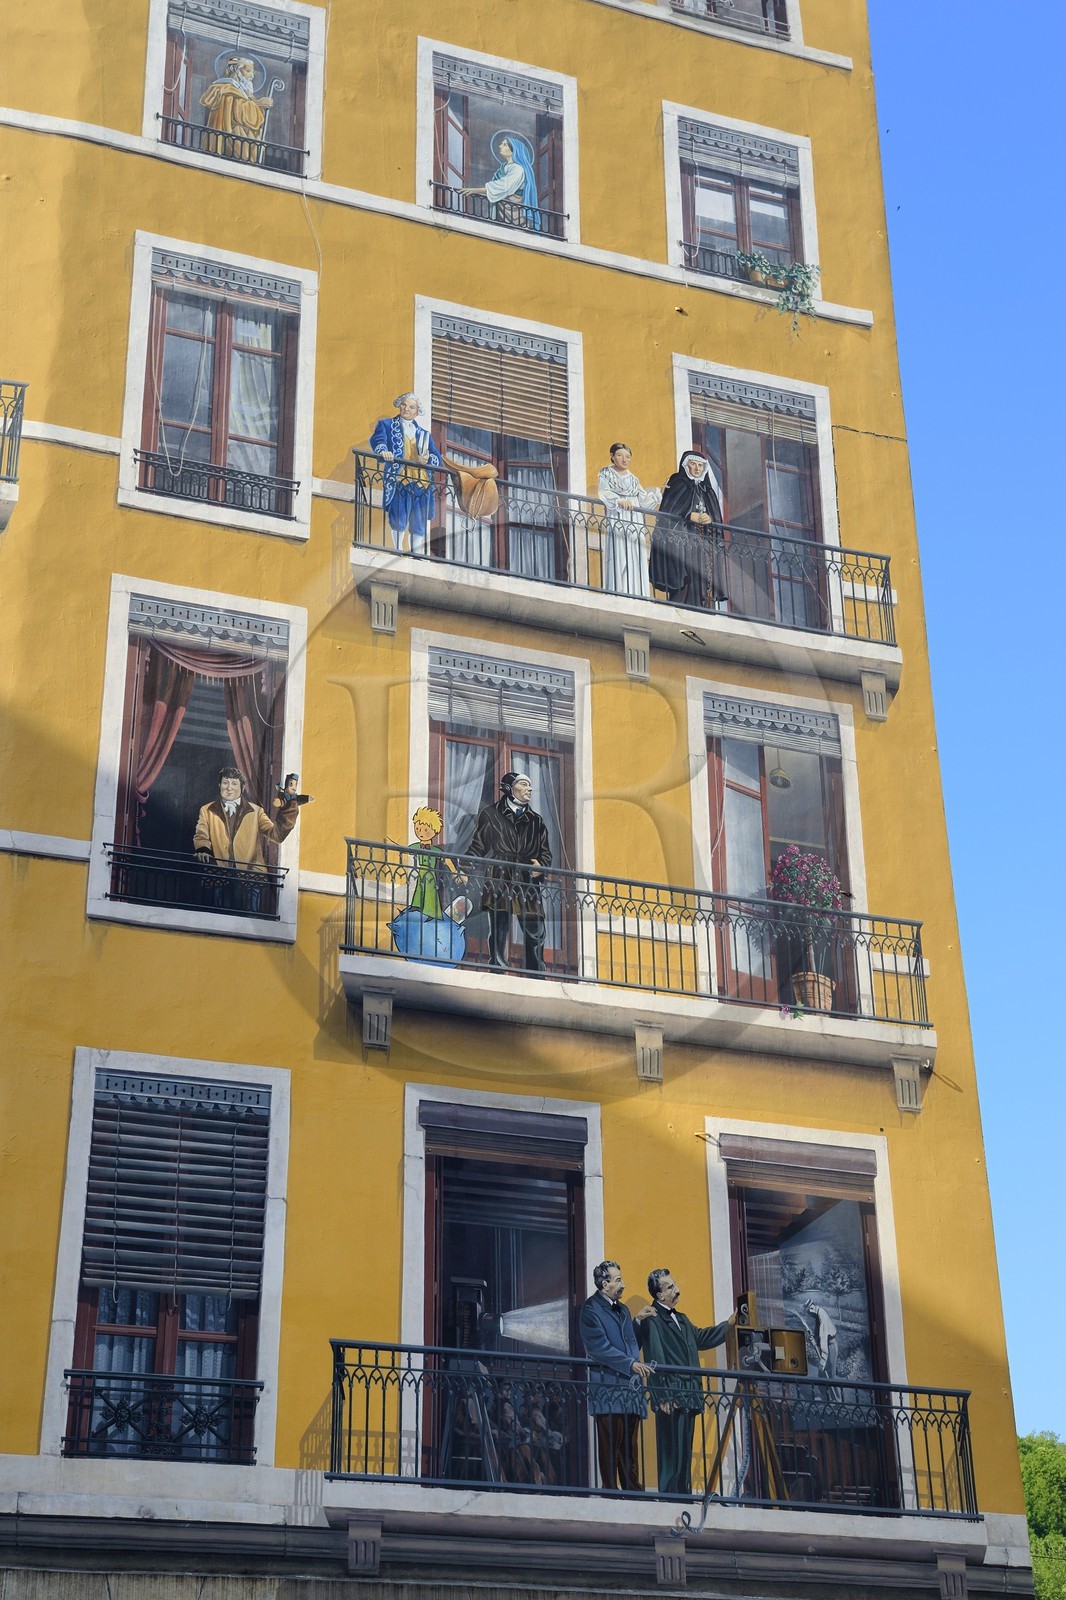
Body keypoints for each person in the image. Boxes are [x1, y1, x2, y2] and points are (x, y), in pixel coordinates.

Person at [634, 1269, 735, 1496]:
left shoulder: (682, 1319)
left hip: (689, 1393)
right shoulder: (653, 1319)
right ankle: (671, 1499)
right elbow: (655, 1358)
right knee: (671, 1453)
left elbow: (701, 1338)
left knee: (684, 1452)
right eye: (670, 1287)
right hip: (670, 1395)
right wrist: (662, 1396)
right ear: (659, 1295)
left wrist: (728, 1325)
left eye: (675, 1284)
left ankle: (684, 1496)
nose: (676, 1289)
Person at [578, 1261, 652, 1492]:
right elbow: (598, 1349)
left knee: (630, 1445)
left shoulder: (623, 1310)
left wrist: (638, 1322)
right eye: (618, 1280)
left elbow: (630, 1344)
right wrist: (631, 1364)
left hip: (629, 1389)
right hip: (608, 1390)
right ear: (604, 1283)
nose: (623, 1284)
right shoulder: (590, 1310)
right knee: (611, 1444)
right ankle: (610, 1490)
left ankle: (632, 1489)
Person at [467, 771, 551, 972]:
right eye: (524, 784)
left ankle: (536, 971)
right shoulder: (490, 814)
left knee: (535, 929)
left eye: (530, 785)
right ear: (509, 789)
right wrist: (464, 868)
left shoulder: (536, 821)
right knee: (499, 925)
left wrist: (541, 866)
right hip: (499, 874)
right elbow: (478, 846)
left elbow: (545, 853)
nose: (529, 789)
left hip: (527, 879)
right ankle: (497, 966)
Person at [193, 766, 299, 910]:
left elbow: (277, 835)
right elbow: (202, 832)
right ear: (219, 785)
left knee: (251, 917)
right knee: (219, 916)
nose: (229, 788)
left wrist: (289, 810)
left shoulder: (256, 811)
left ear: (242, 788)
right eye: (225, 783)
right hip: (219, 874)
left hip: (251, 877)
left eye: (234, 783)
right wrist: (203, 849)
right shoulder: (207, 810)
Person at [387, 806, 468, 965]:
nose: (421, 831)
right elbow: (406, 849)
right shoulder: (417, 846)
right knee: (419, 893)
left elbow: (447, 861)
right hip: (421, 876)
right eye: (418, 828)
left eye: (425, 828)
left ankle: (431, 912)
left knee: (430, 895)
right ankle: (418, 907)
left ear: (434, 830)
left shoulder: (436, 849)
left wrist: (455, 873)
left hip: (431, 876)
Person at [649, 450, 727, 610]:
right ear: (686, 465)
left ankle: (704, 608)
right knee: (685, 580)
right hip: (683, 543)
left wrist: (710, 519)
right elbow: (668, 510)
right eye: (693, 464)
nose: (697, 468)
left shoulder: (708, 491)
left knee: (703, 579)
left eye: (700, 465)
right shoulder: (677, 483)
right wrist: (688, 514)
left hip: (703, 545)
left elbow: (715, 517)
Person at [369, 394, 444, 555]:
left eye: (411, 407)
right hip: (399, 479)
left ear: (417, 412)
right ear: (399, 406)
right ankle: (397, 549)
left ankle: (415, 553)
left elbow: (437, 458)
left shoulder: (424, 434)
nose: (406, 409)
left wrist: (428, 459)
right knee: (398, 516)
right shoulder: (387, 425)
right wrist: (384, 451)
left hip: (421, 482)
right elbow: (378, 441)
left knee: (418, 521)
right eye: (404, 405)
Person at [597, 443, 662, 598]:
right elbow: (604, 492)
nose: (624, 459)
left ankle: (637, 592)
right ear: (612, 456)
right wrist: (618, 500)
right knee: (619, 552)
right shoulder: (605, 473)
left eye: (628, 456)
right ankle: (619, 591)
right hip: (618, 516)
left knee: (635, 553)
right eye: (620, 455)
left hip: (635, 519)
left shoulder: (633, 479)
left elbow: (644, 502)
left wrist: (658, 493)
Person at [199, 56, 274, 163]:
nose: (251, 76)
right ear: (236, 70)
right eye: (248, 71)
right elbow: (242, 115)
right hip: (232, 138)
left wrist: (256, 103)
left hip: (241, 138)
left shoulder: (242, 90)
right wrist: (259, 103)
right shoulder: (227, 88)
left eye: (252, 72)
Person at [462, 132, 542, 231]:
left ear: (513, 150)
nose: (500, 146)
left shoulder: (518, 169)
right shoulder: (504, 167)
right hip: (503, 210)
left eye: (504, 144)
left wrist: (476, 190)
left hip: (514, 214)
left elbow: (503, 186)